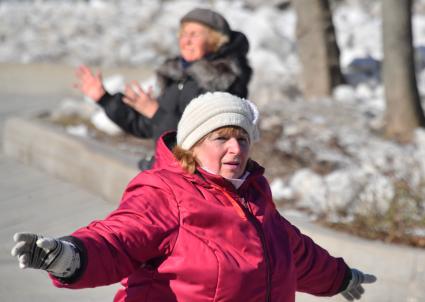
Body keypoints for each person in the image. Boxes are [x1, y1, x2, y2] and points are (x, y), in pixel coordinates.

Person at [11, 92, 376, 302]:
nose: (236, 149)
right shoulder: (165, 192)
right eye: (222, 138)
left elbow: (291, 249)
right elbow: (119, 238)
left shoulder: (252, 193)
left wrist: (339, 277)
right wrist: (69, 256)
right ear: (194, 144)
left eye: (243, 139)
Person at [75, 8, 252, 169]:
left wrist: (156, 113)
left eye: (194, 34)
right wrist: (104, 99)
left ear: (214, 40)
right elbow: (149, 127)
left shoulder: (224, 80)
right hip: (166, 172)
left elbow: (207, 138)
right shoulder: (178, 75)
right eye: (183, 34)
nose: (186, 40)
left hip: (195, 180)